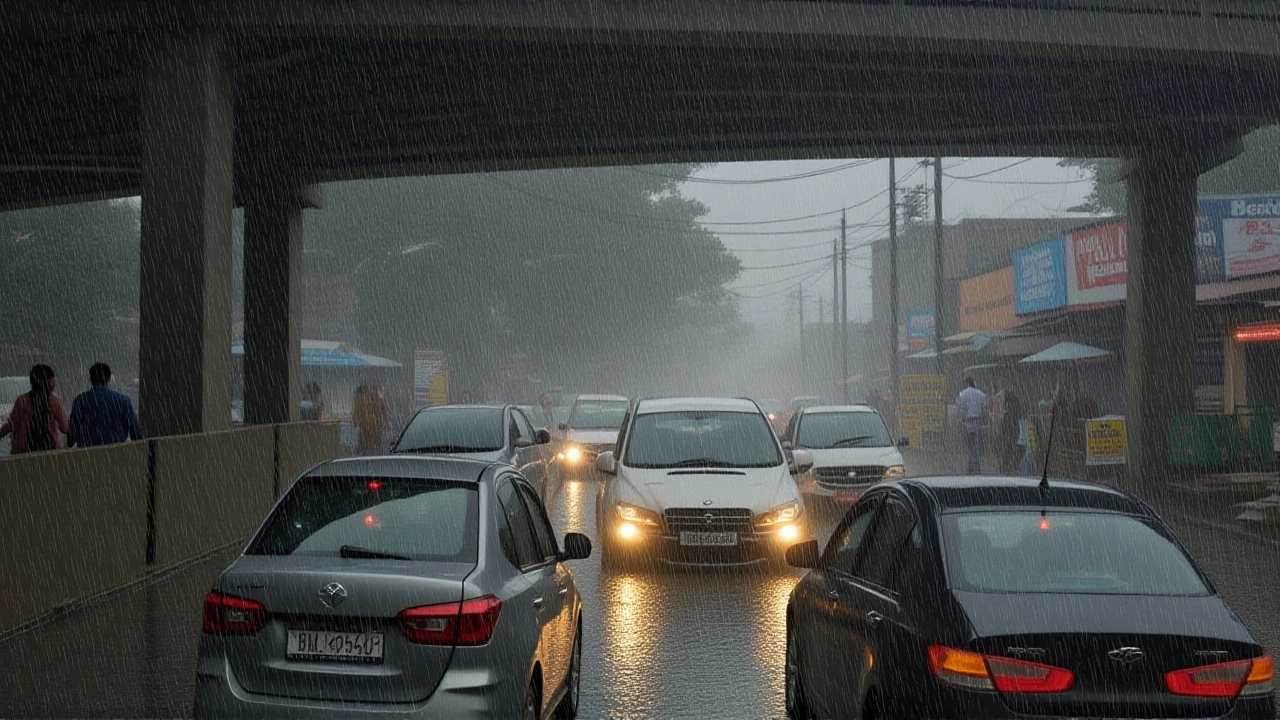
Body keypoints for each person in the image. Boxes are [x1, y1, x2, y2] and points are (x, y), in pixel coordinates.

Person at [68, 362, 143, 448]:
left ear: (91, 379)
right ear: (109, 378)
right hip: (116, 452)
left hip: (87, 454)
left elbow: (72, 434)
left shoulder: (80, 401)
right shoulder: (122, 400)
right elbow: (135, 431)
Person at [0, 364, 69, 454]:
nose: (55, 383)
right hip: (50, 451)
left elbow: (11, 425)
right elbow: (64, 428)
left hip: (23, 451)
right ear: (49, 381)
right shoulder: (54, 401)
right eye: (53, 379)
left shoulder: (22, 401)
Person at [956, 376, 989, 475]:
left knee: (970, 445)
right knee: (976, 445)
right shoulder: (979, 393)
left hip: (967, 422)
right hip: (977, 421)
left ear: (966, 383)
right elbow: (986, 403)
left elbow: (960, 407)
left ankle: (971, 467)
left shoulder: (962, 394)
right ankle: (976, 467)